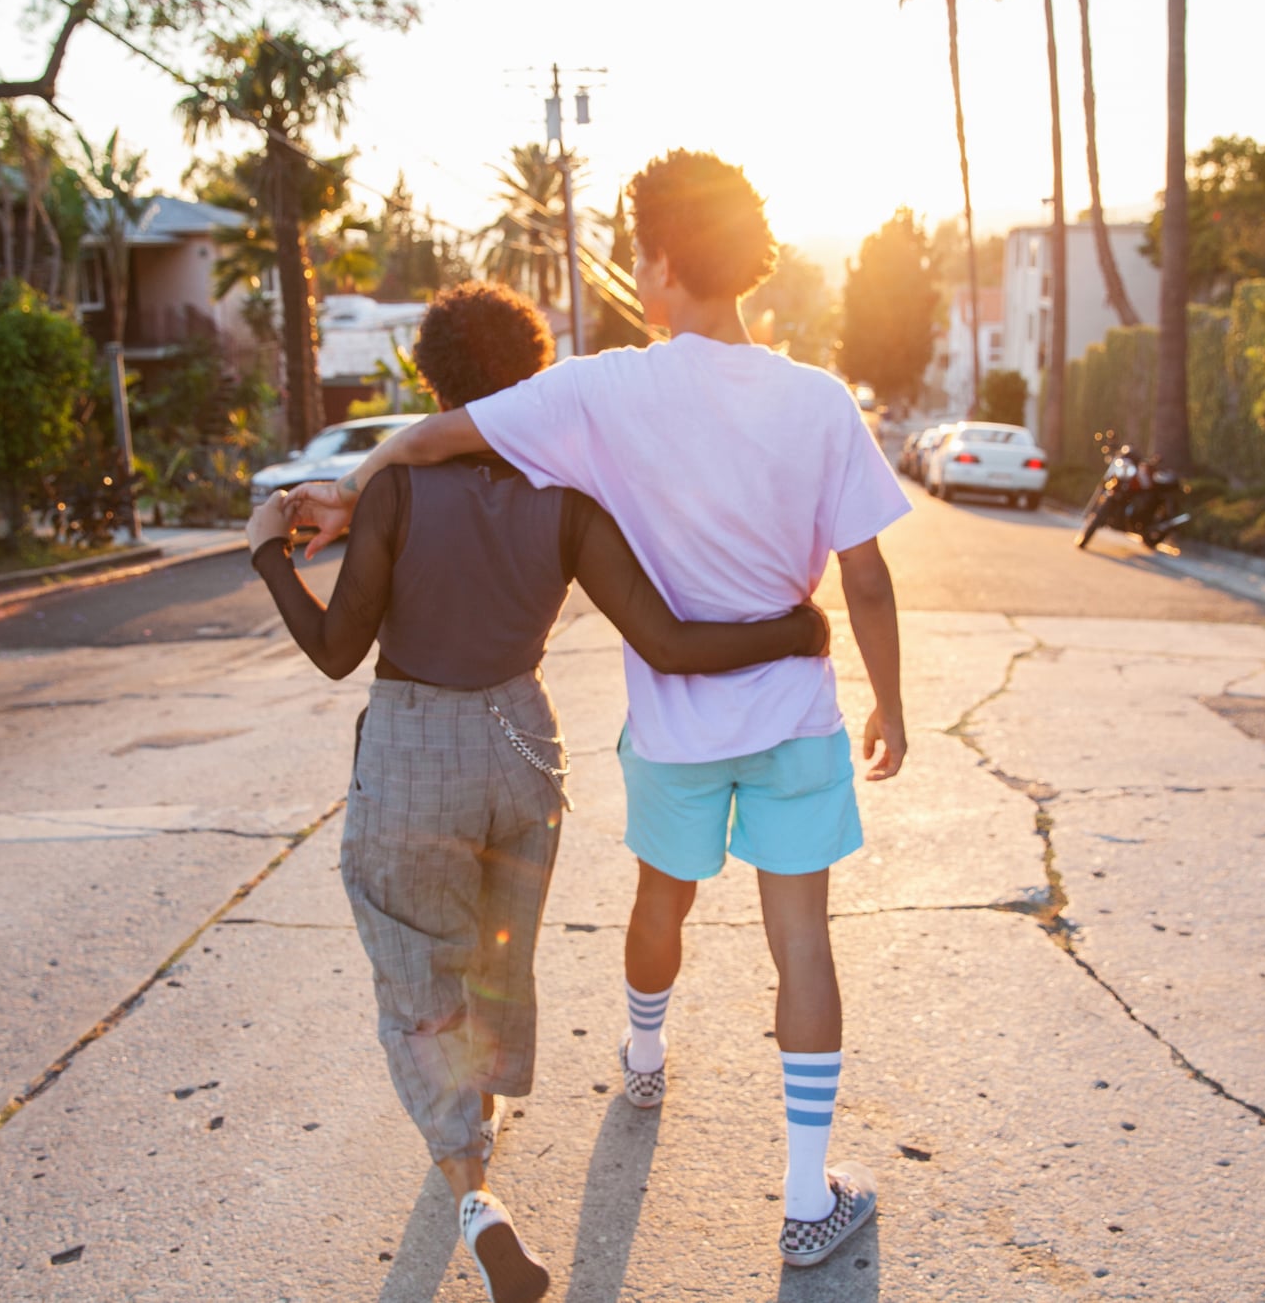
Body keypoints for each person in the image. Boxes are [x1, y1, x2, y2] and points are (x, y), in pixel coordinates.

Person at [289, 150, 912, 1270]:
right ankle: (807, 1195)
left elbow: (441, 435)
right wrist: (891, 706)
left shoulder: (606, 387)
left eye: (639, 252)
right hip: (792, 717)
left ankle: (640, 1053)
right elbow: (864, 579)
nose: (634, 269)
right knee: (801, 941)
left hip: (674, 729)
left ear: (667, 262)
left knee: (658, 902)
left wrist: (350, 488)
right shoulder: (817, 400)